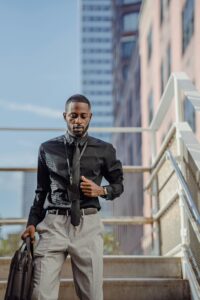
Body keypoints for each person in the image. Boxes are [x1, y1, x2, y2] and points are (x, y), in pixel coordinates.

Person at [21, 94, 124, 300]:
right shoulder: (47, 149)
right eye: (73, 116)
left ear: (90, 117)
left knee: (92, 295)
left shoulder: (105, 150)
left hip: (88, 225)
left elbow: (118, 185)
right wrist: (32, 222)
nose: (78, 121)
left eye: (83, 116)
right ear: (65, 116)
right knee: (40, 293)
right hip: (53, 225)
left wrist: (101, 191)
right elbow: (41, 190)